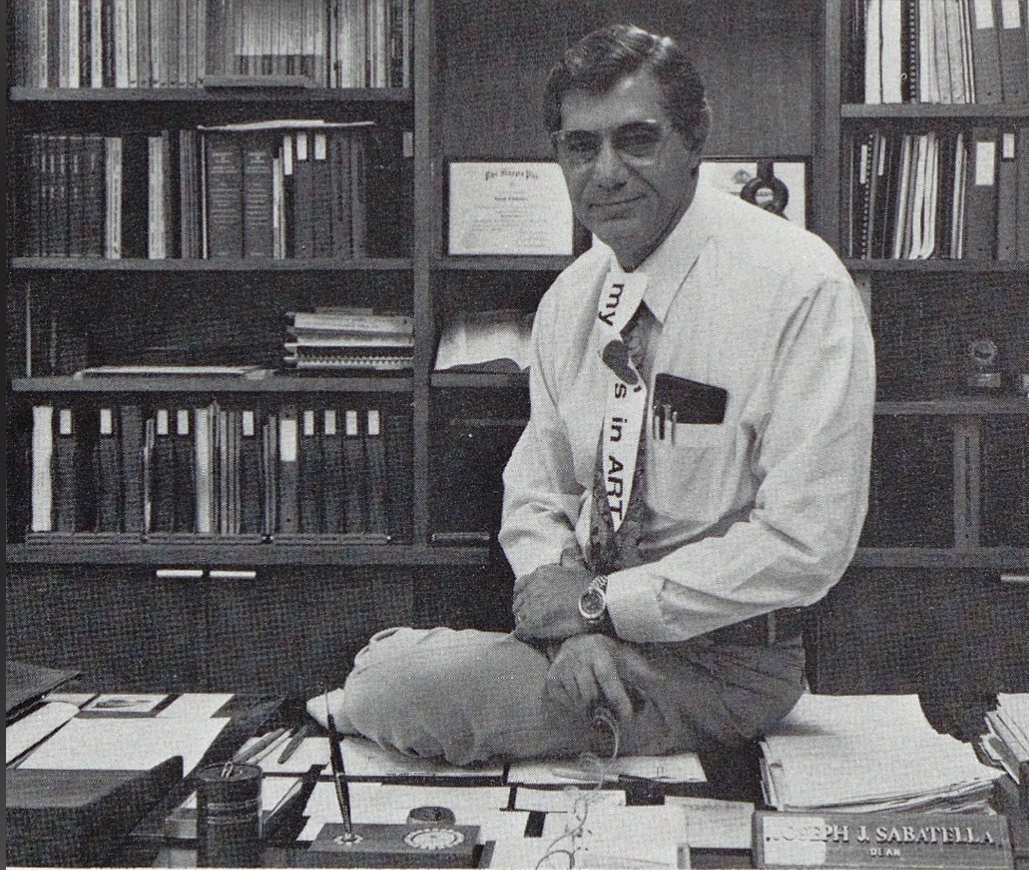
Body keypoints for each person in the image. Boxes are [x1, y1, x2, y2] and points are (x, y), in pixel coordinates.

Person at [330, 23, 875, 765]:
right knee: (403, 679)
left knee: (396, 687)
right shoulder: (574, 298)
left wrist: (599, 605)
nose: (606, 173)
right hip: (584, 644)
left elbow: (806, 542)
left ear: (695, 138)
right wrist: (575, 625)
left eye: (637, 140)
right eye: (580, 147)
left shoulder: (798, 285)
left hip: (728, 666)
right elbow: (536, 491)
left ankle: (374, 689)